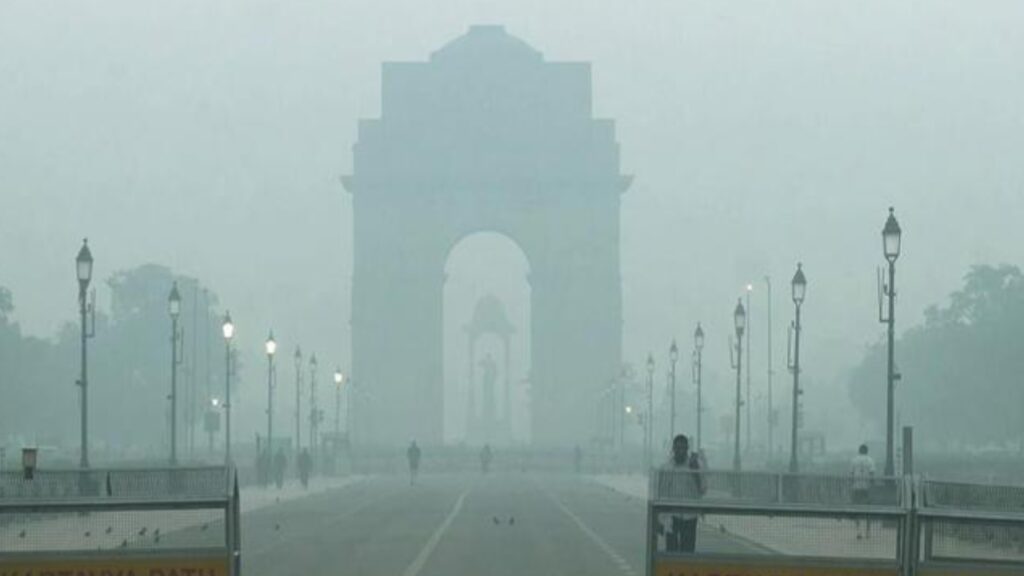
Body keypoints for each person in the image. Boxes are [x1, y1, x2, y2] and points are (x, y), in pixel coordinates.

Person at [660, 434, 706, 553]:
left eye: (683, 448)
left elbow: (703, 489)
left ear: (687, 449)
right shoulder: (667, 467)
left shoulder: (695, 465)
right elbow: (662, 492)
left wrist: (695, 471)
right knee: (671, 551)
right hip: (672, 516)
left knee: (687, 552)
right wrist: (660, 518)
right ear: (673, 449)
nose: (680, 451)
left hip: (690, 515)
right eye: (677, 448)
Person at [850, 444, 876, 539]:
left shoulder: (854, 460)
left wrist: (852, 485)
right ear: (867, 451)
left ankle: (858, 531)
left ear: (859, 450)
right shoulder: (870, 460)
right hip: (867, 488)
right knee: (869, 510)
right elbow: (872, 474)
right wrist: (872, 486)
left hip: (856, 487)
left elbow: (851, 475)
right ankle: (868, 532)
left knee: (857, 509)